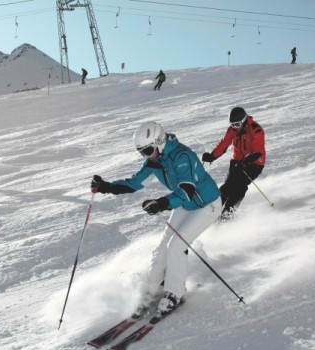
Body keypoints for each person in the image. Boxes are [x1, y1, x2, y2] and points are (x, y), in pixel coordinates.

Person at [90, 121, 221, 320]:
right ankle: (153, 289)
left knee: (176, 245)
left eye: (148, 150)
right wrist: (106, 187)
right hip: (185, 205)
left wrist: (162, 203)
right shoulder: (156, 159)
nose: (146, 156)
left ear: (159, 142)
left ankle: (174, 293)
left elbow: (187, 189)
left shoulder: (182, 156)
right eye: (142, 152)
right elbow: (135, 183)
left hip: (207, 204)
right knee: (162, 247)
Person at [202, 107, 266, 220]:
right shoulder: (232, 130)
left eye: (237, 124)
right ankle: (212, 209)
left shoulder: (256, 129)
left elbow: (258, 152)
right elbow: (224, 144)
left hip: (254, 163)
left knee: (240, 187)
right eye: (232, 125)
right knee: (228, 186)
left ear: (244, 120)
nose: (235, 127)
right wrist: (212, 156)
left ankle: (227, 213)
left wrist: (246, 161)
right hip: (237, 161)